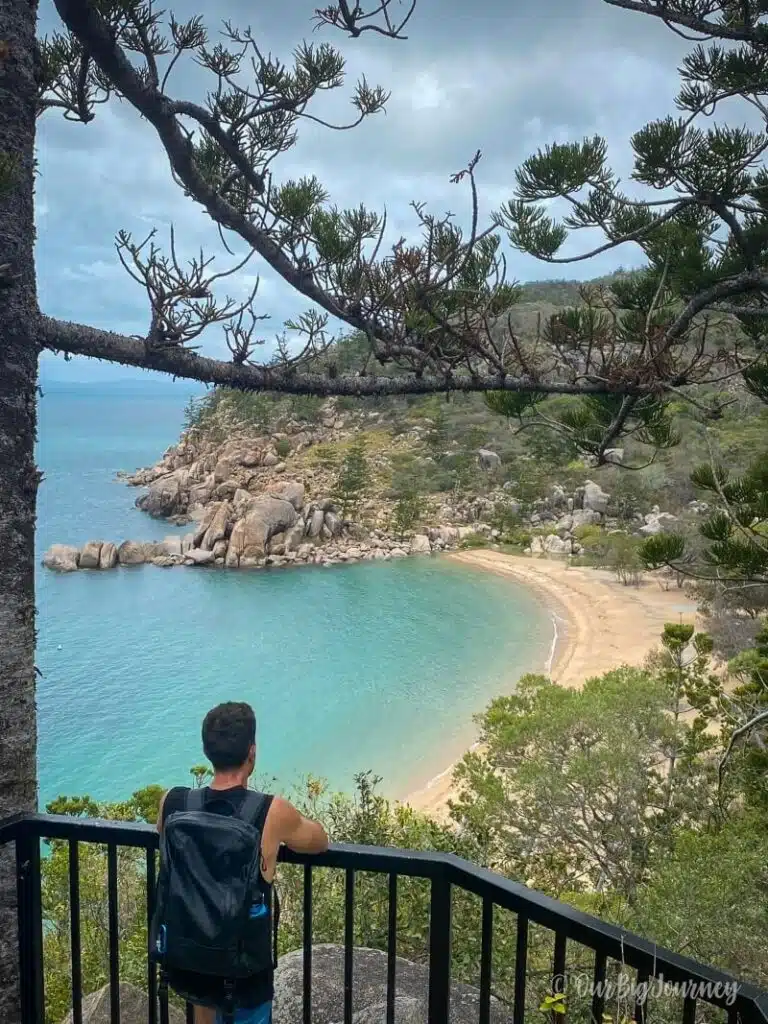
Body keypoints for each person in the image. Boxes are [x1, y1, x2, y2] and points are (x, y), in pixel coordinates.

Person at [157, 702, 329, 1024]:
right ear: (252, 752)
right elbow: (318, 841)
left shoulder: (173, 802)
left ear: (207, 751)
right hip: (243, 967)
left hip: (190, 955)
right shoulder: (269, 811)